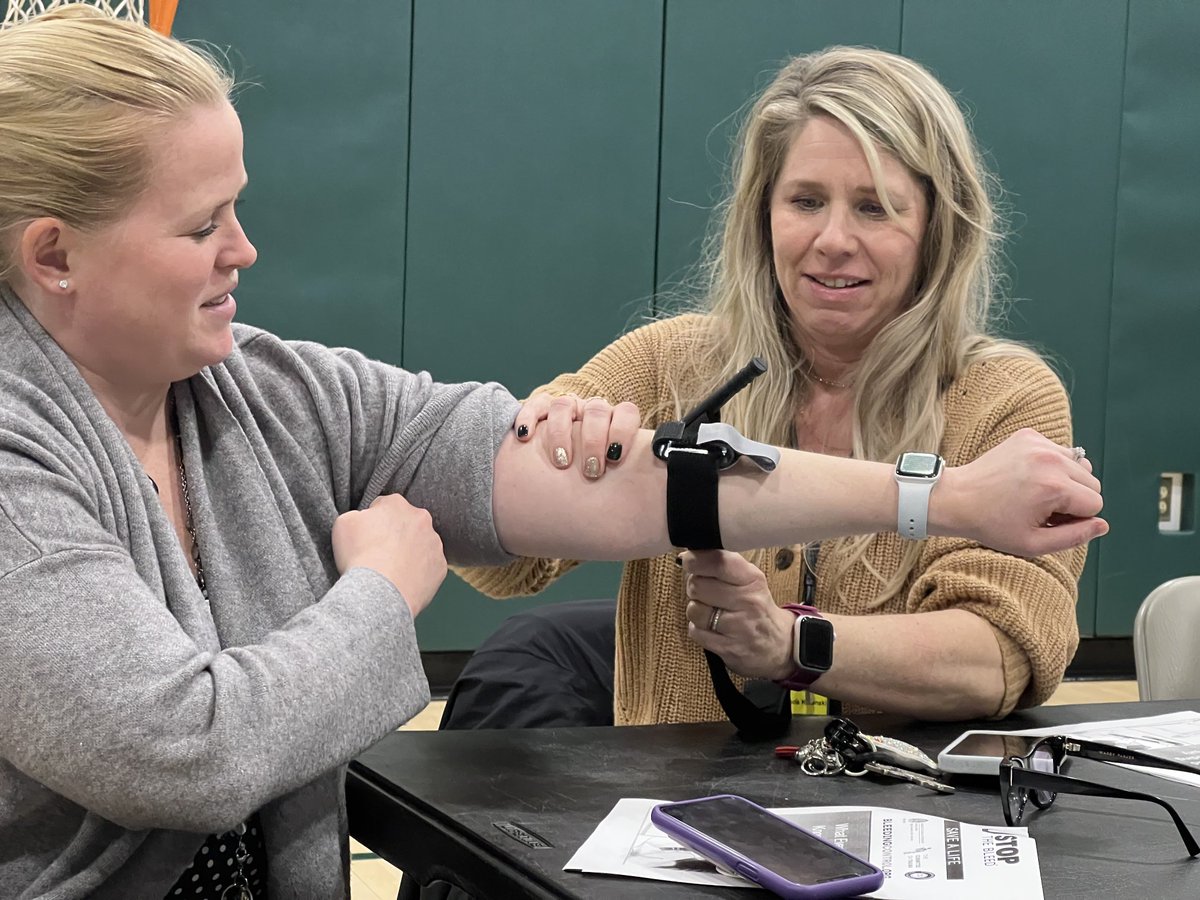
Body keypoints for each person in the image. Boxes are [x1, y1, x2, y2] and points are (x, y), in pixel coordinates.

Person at [0, 12, 1104, 898]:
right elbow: (187, 752)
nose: (245, 248)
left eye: (237, 209)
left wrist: (941, 497)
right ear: (54, 255)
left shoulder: (269, 392)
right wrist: (381, 588)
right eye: (204, 225)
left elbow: (594, 483)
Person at [452, 46, 1094, 732]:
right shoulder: (670, 364)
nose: (833, 239)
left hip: (893, 818)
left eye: (875, 208)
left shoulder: (1005, 397)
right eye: (806, 201)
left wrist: (790, 645)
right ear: (763, 215)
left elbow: (1001, 658)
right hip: (665, 813)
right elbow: (503, 567)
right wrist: (549, 449)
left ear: (938, 226)